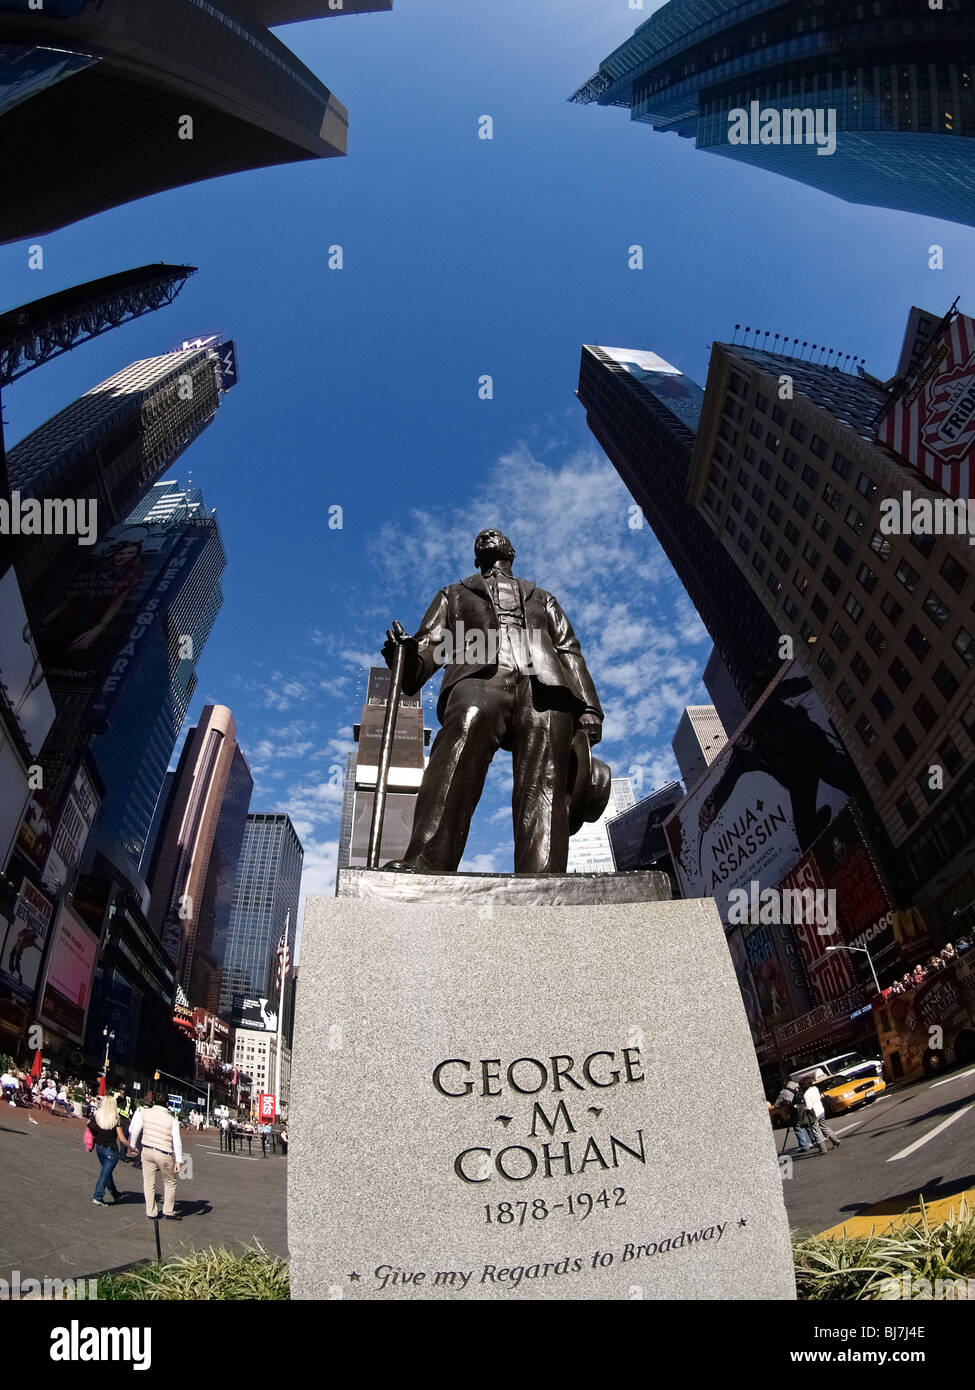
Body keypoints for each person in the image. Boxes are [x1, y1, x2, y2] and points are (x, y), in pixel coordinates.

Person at [381, 529, 605, 873]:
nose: (486, 535)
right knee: (462, 735)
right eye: (480, 537)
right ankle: (426, 860)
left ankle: (542, 874)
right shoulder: (454, 593)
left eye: (495, 535)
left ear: (511, 551)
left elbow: (567, 649)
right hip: (481, 668)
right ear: (475, 556)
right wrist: (408, 656)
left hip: (542, 677)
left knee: (545, 776)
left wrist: (589, 707)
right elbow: (430, 644)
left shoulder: (542, 596)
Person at [128, 1094, 183, 1219]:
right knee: (169, 1182)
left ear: (154, 1102)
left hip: (147, 1150)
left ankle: (151, 1211)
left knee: (148, 1182)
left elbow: (136, 1130)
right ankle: (168, 1210)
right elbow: (177, 1141)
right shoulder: (172, 1120)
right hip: (164, 1153)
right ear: (167, 1104)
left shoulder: (145, 1113)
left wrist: (132, 1145)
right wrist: (178, 1160)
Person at [88, 1095, 128, 1206]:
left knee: (107, 1172)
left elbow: (89, 1125)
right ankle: (98, 1196)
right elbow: (122, 1138)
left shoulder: (97, 1114)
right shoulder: (116, 1118)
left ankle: (115, 1193)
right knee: (104, 1174)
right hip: (111, 1150)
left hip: (99, 1147)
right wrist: (131, 1147)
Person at [799, 1074, 842, 1154]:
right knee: (824, 1127)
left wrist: (802, 1108)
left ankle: (823, 1148)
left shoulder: (806, 1095)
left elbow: (809, 1107)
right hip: (821, 1110)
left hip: (814, 1114)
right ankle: (835, 1140)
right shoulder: (815, 1088)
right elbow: (819, 1098)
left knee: (816, 1130)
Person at [774, 1077, 813, 1153]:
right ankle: (815, 1141)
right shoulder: (800, 1086)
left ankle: (804, 1145)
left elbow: (777, 1104)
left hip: (795, 1111)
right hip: (804, 1108)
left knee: (797, 1127)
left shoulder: (786, 1090)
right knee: (807, 1125)